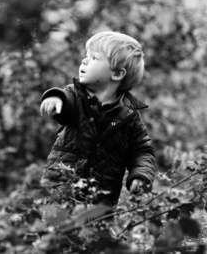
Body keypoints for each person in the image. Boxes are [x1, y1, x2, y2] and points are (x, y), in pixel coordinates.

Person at [39, 31, 156, 206]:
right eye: (86, 56)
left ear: (116, 73)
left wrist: (141, 174)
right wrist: (55, 98)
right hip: (61, 188)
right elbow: (65, 100)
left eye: (94, 58)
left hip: (101, 199)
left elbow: (142, 151)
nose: (84, 61)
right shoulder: (75, 96)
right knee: (56, 229)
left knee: (95, 232)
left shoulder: (130, 116)